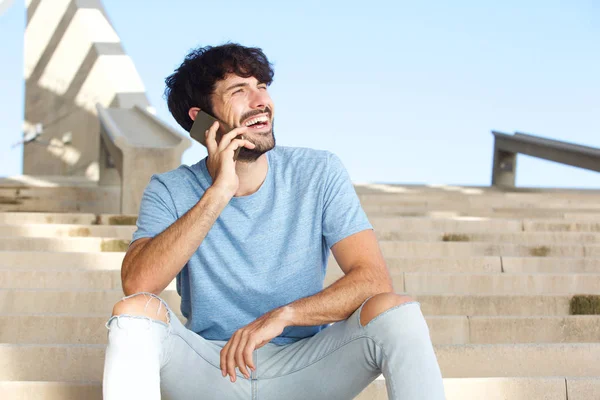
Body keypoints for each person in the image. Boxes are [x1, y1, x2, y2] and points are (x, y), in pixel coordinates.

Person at [102, 43, 446, 400]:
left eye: (262, 86)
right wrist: (220, 191)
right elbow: (139, 284)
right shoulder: (170, 189)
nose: (260, 100)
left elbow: (373, 279)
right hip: (211, 368)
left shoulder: (319, 171)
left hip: (306, 366)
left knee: (396, 312)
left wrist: (285, 315)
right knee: (133, 315)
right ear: (201, 118)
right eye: (240, 90)